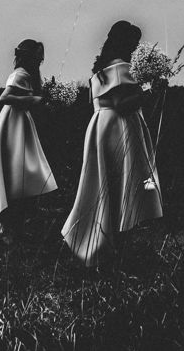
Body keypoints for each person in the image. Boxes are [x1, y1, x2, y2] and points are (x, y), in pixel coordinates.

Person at [62, 21, 162, 266]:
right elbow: (121, 104)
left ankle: (95, 241)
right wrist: (150, 91)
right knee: (121, 185)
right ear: (125, 42)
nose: (135, 48)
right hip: (120, 129)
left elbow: (96, 101)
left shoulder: (100, 70)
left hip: (99, 127)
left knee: (101, 185)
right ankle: (114, 245)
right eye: (133, 43)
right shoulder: (121, 67)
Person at [0, 39, 57, 240]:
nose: (39, 62)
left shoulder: (28, 76)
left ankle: (15, 227)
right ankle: (11, 228)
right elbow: (4, 98)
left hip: (20, 124)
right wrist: (31, 100)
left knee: (23, 172)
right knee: (18, 171)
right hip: (13, 125)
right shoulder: (20, 74)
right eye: (37, 58)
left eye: (41, 59)